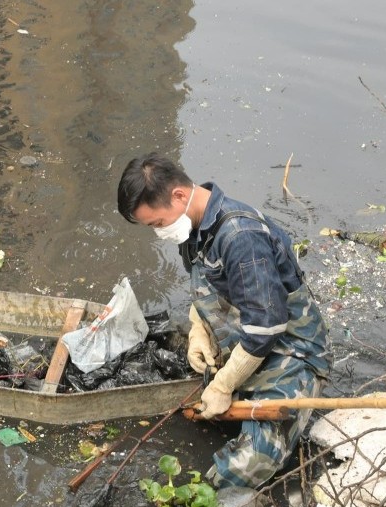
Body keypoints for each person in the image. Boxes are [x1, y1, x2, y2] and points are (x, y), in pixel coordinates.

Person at [116, 153, 330, 489]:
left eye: (156, 224)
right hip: (240, 336)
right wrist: (199, 331)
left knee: (243, 469)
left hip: (289, 349)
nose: (159, 233)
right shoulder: (191, 227)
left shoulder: (240, 236)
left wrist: (223, 384)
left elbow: (266, 328)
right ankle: (234, 383)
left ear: (179, 196)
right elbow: (203, 286)